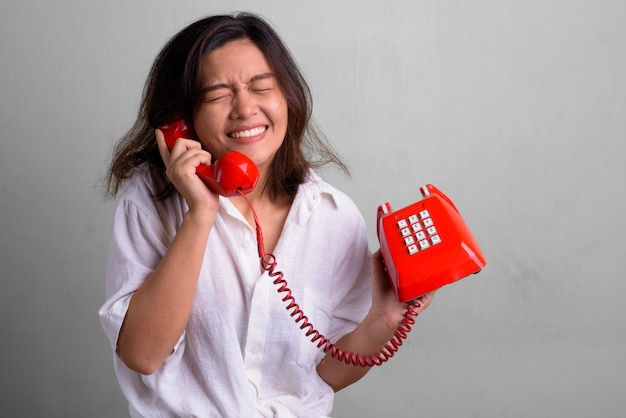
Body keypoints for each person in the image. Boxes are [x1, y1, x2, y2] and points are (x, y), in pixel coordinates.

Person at [99, 12, 434, 417]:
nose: (245, 108)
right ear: (182, 122)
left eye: (262, 87)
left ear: (287, 98)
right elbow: (142, 354)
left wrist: (385, 316)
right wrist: (200, 213)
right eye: (218, 95)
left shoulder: (334, 216)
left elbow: (325, 374)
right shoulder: (152, 201)